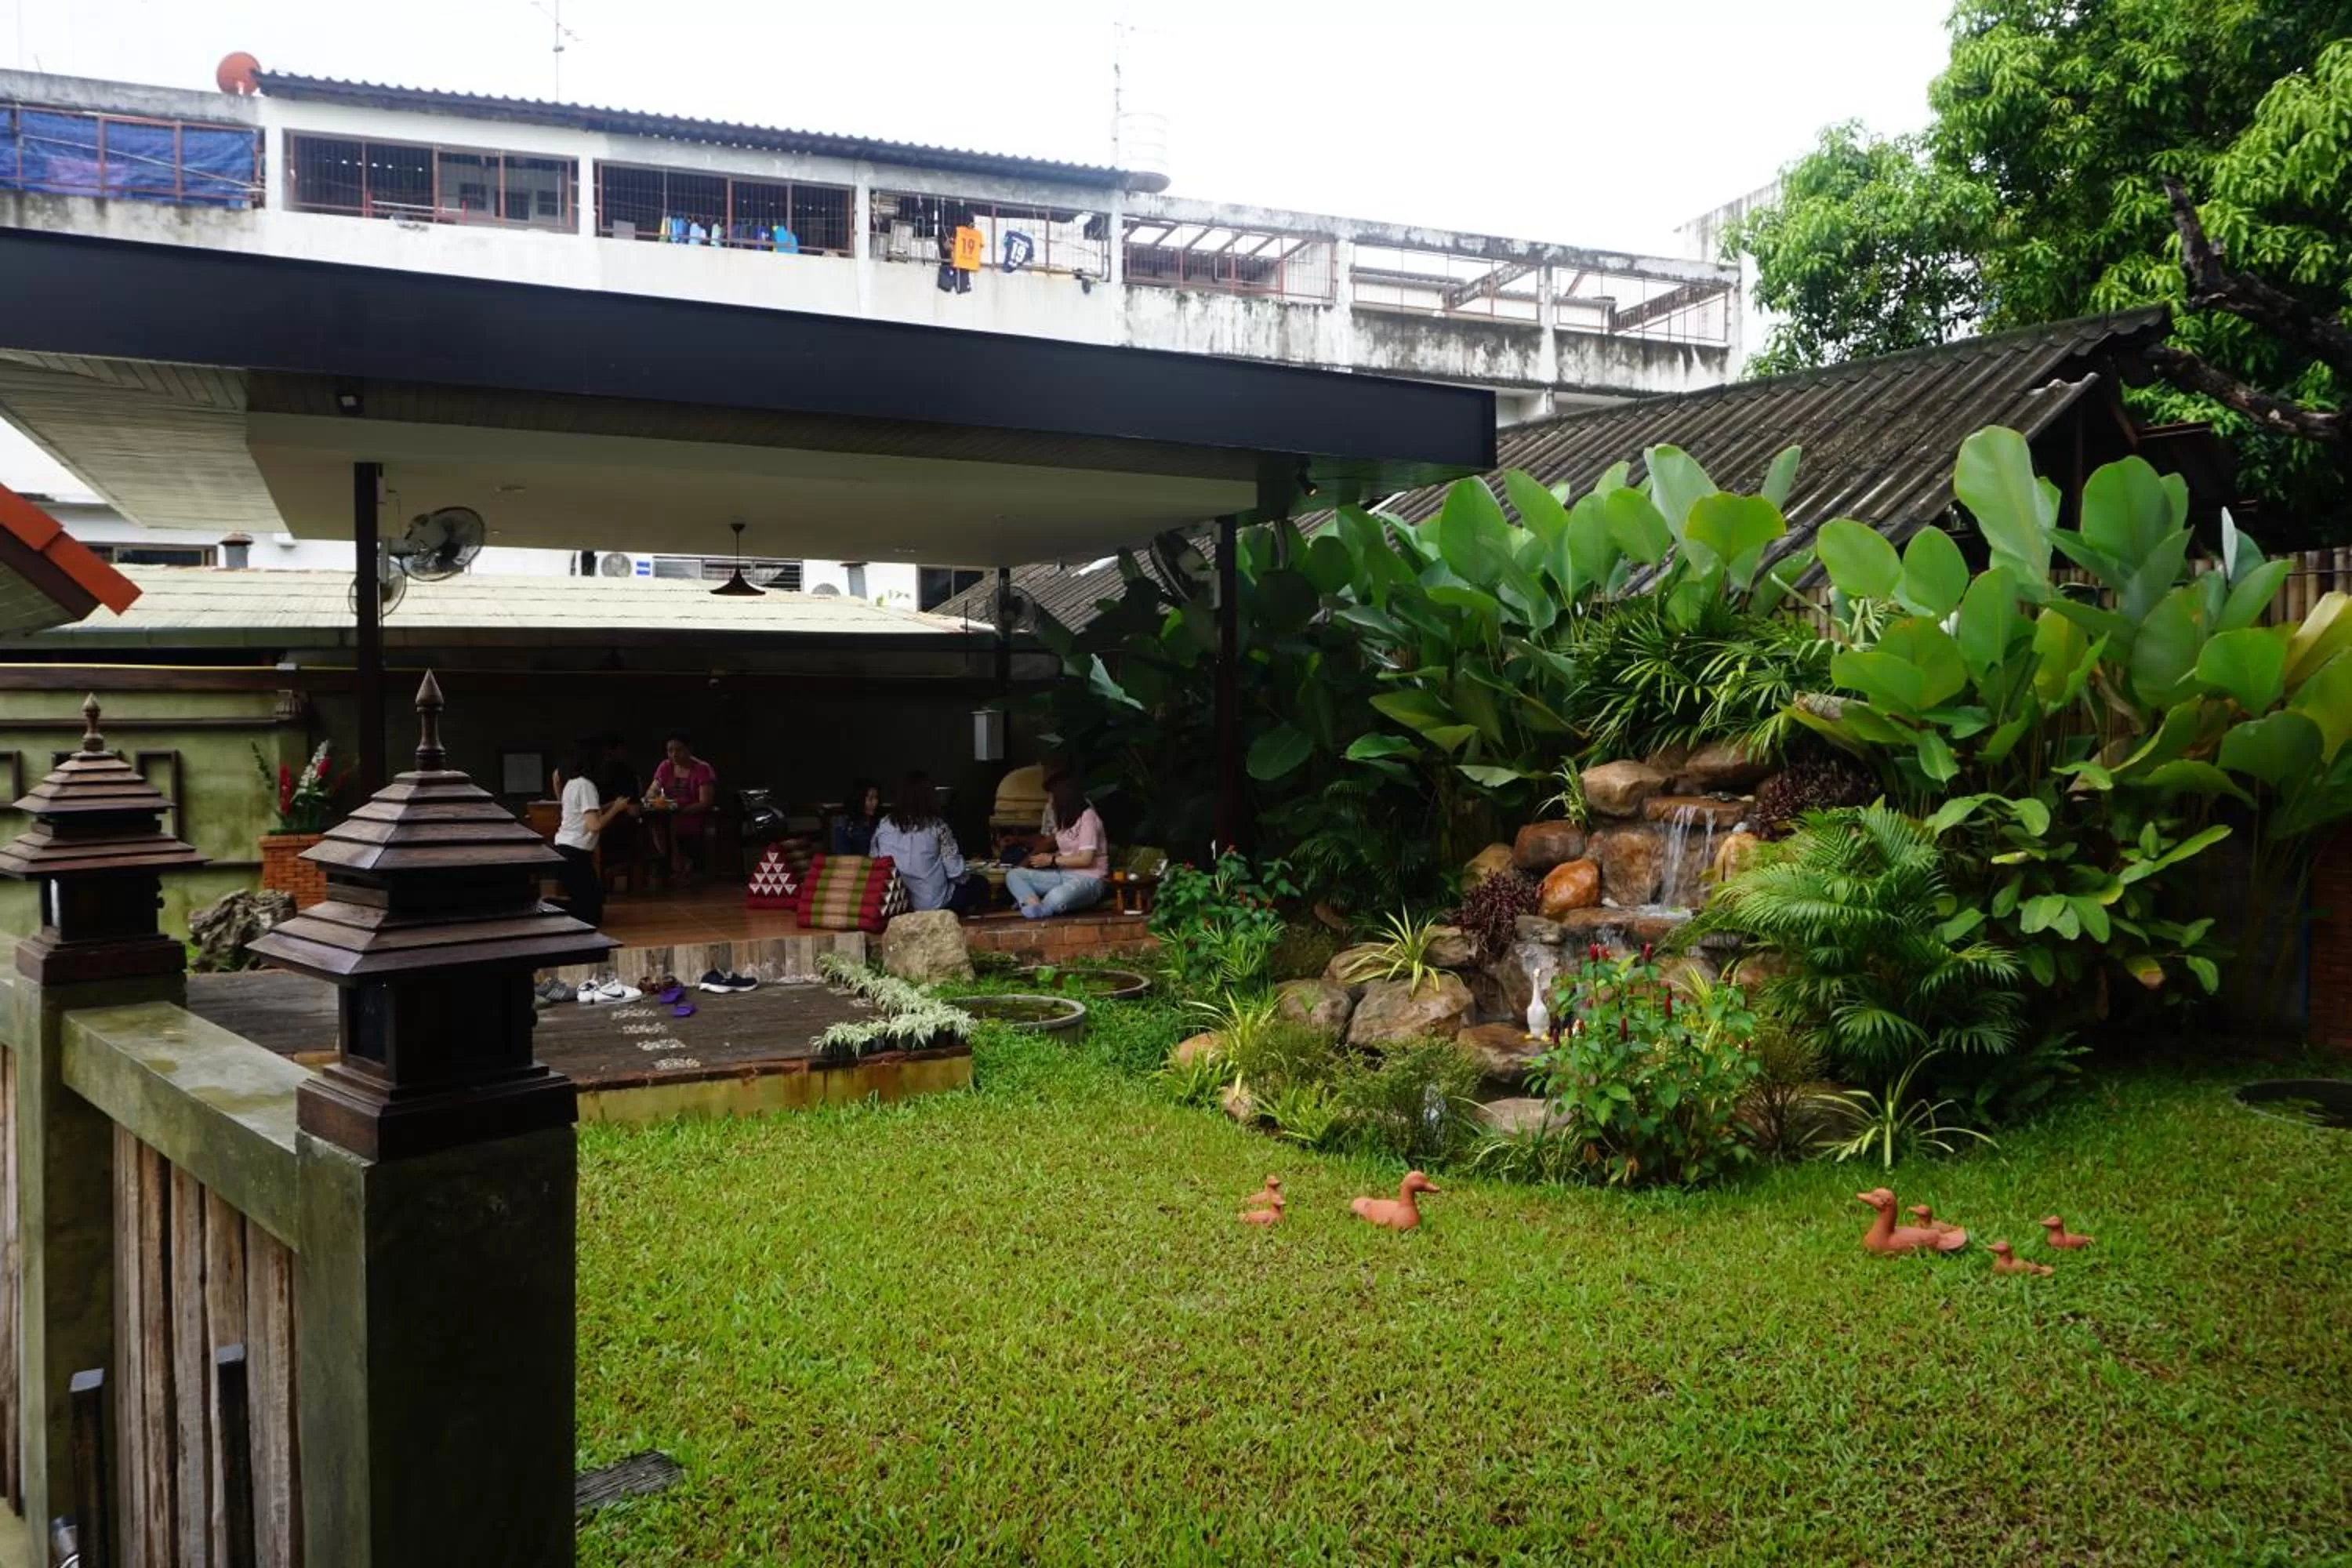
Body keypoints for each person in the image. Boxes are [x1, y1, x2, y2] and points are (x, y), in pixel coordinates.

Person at [872, 771, 988, 915]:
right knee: (981, 884)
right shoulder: (937, 826)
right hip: (933, 903)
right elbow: (955, 872)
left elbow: (875, 861)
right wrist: (969, 875)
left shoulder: (884, 825)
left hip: (896, 903)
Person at [552, 738, 637, 927]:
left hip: (565, 851)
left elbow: (590, 812)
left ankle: (549, 908)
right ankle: (545, 908)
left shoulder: (573, 784)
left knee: (593, 902)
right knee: (591, 915)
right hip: (574, 855)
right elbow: (594, 825)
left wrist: (615, 805)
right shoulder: (586, 786)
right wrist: (615, 808)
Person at [1007, 773, 1109, 920]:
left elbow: (1086, 859)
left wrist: (1052, 860)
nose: (1050, 803)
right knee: (1014, 875)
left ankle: (1032, 905)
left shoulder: (1088, 818)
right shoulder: (1065, 820)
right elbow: (1055, 845)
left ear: (1063, 797)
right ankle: (1034, 905)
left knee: (1056, 896)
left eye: (1052, 797)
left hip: (1090, 880)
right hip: (1064, 876)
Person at [648, 731, 717, 886]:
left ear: (689, 749)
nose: (674, 755)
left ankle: (675, 866)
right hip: (669, 811)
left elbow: (705, 802)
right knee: (654, 821)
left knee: (670, 822)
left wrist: (678, 811)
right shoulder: (665, 766)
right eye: (670, 751)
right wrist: (653, 795)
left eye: (679, 750)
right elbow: (652, 791)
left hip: (691, 814)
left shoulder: (702, 768)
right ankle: (675, 863)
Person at [832, 777, 883, 856]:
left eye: (876, 798)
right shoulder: (845, 824)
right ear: (859, 800)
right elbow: (843, 857)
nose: (875, 803)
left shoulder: (880, 822)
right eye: (871, 799)